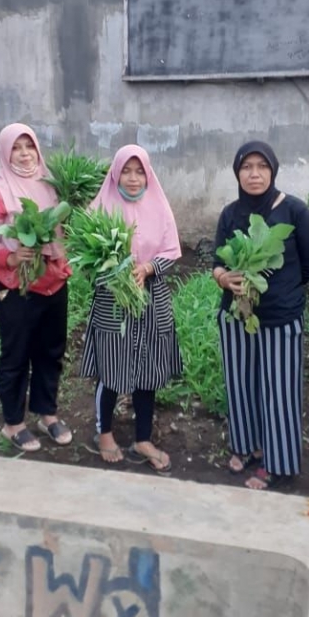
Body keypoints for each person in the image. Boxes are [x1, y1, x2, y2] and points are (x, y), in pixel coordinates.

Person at [213, 141, 309, 490]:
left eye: (262, 166)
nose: (254, 174)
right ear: (237, 172)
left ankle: (279, 463)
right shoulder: (230, 213)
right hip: (236, 315)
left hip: (280, 318)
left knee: (279, 390)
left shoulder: (294, 211)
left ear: (273, 170)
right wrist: (225, 278)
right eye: (247, 167)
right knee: (240, 383)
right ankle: (246, 447)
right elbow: (216, 263)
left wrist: (277, 291)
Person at [81, 145, 182, 473]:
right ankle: (105, 433)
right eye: (127, 170)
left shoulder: (159, 206)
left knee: (148, 370)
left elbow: (171, 250)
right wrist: (116, 271)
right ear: (116, 172)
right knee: (111, 367)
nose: (134, 178)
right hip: (113, 299)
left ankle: (142, 438)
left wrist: (148, 268)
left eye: (140, 171)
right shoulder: (100, 208)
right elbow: (88, 256)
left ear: (148, 174)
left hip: (151, 299)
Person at [0, 124, 73, 453]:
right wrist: (10, 255)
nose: (24, 153)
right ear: (6, 153)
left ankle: (47, 413)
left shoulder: (51, 185)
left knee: (51, 352)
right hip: (16, 287)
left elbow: (66, 228)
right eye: (16, 147)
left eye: (28, 146)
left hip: (53, 283)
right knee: (16, 355)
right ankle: (13, 423)